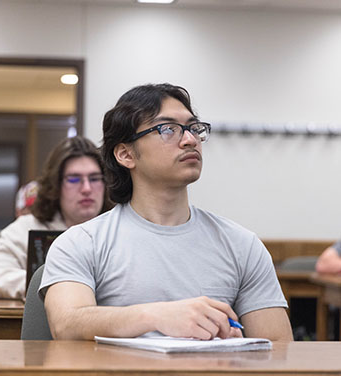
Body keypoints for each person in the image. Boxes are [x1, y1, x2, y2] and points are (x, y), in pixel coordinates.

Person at [40, 83, 293, 341]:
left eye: (194, 128)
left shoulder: (242, 244)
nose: (190, 140)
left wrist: (242, 350)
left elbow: (280, 349)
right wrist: (157, 316)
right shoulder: (82, 242)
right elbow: (67, 324)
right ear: (126, 154)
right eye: (168, 129)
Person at [0, 136, 112, 300]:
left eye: (94, 178)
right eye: (74, 179)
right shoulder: (29, 226)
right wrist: (49, 283)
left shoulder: (119, 227)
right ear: (55, 185)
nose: (86, 188)